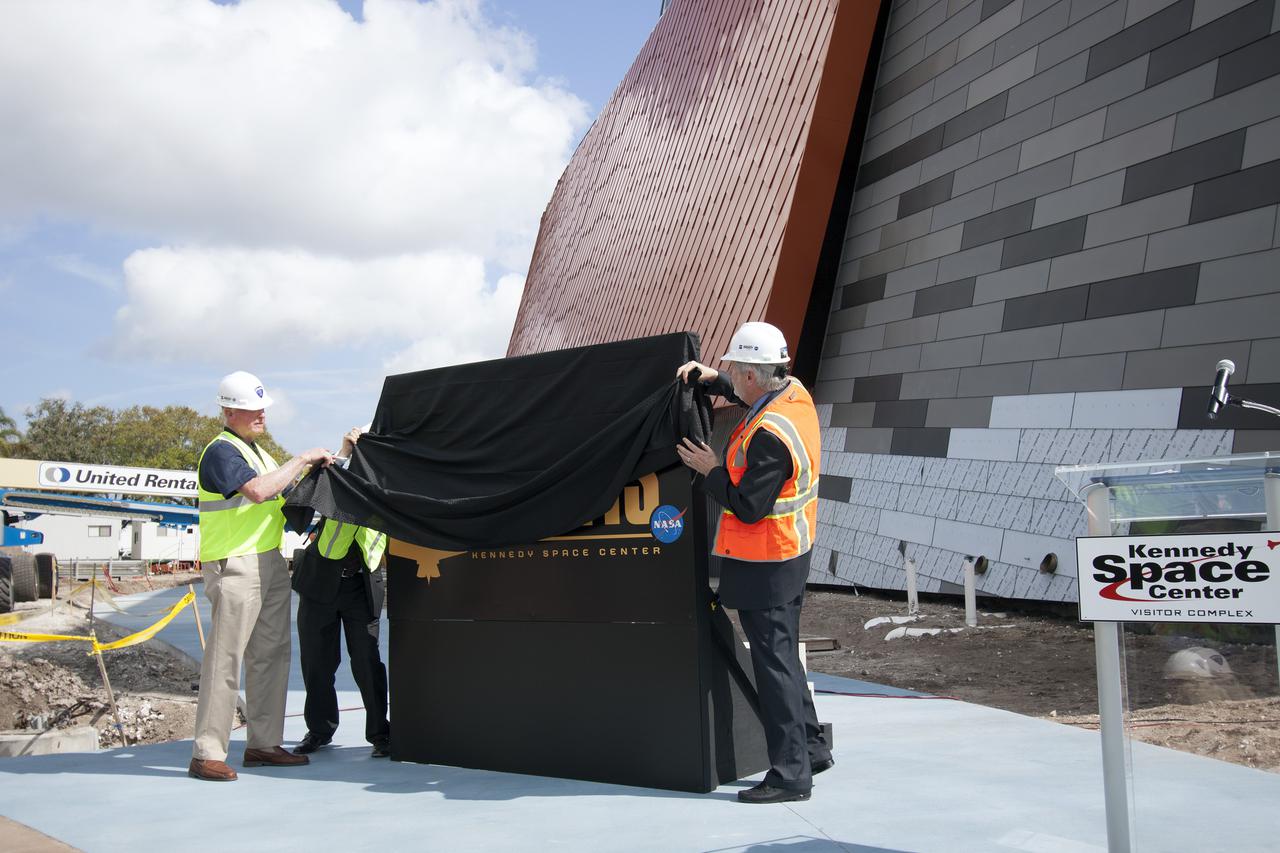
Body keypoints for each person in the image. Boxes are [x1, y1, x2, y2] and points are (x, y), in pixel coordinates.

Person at [675, 322, 832, 805]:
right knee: (783, 657)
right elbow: (753, 395)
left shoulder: (769, 438)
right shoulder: (793, 395)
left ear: (751, 373)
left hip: (768, 562)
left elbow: (747, 505)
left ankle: (790, 775)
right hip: (790, 555)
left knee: (774, 667)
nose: (732, 377)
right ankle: (811, 748)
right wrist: (713, 380)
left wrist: (710, 471)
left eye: (734, 372)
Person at [189, 370, 335, 782]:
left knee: (270, 655)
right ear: (230, 410)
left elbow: (284, 495)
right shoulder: (221, 451)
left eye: (263, 409)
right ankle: (207, 752)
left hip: (268, 560)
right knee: (226, 658)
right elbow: (256, 491)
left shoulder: (260, 454)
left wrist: (326, 462)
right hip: (234, 562)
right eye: (254, 409)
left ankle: (263, 744)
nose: (262, 416)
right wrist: (303, 458)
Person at [292, 427, 391, 758]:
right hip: (321, 579)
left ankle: (381, 734)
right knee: (317, 662)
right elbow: (316, 492)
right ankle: (319, 730)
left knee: (367, 661)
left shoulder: (390, 485)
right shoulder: (339, 473)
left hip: (362, 585)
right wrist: (345, 452)